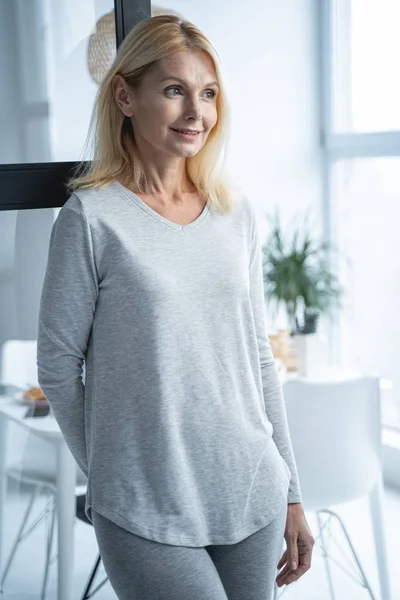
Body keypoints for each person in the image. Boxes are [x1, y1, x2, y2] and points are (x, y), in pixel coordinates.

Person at [37, 14, 314, 600]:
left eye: (208, 93)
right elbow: (58, 368)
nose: (197, 112)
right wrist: (111, 472)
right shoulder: (90, 220)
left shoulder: (235, 213)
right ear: (124, 96)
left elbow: (258, 360)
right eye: (174, 90)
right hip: (144, 507)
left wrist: (290, 489)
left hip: (251, 489)